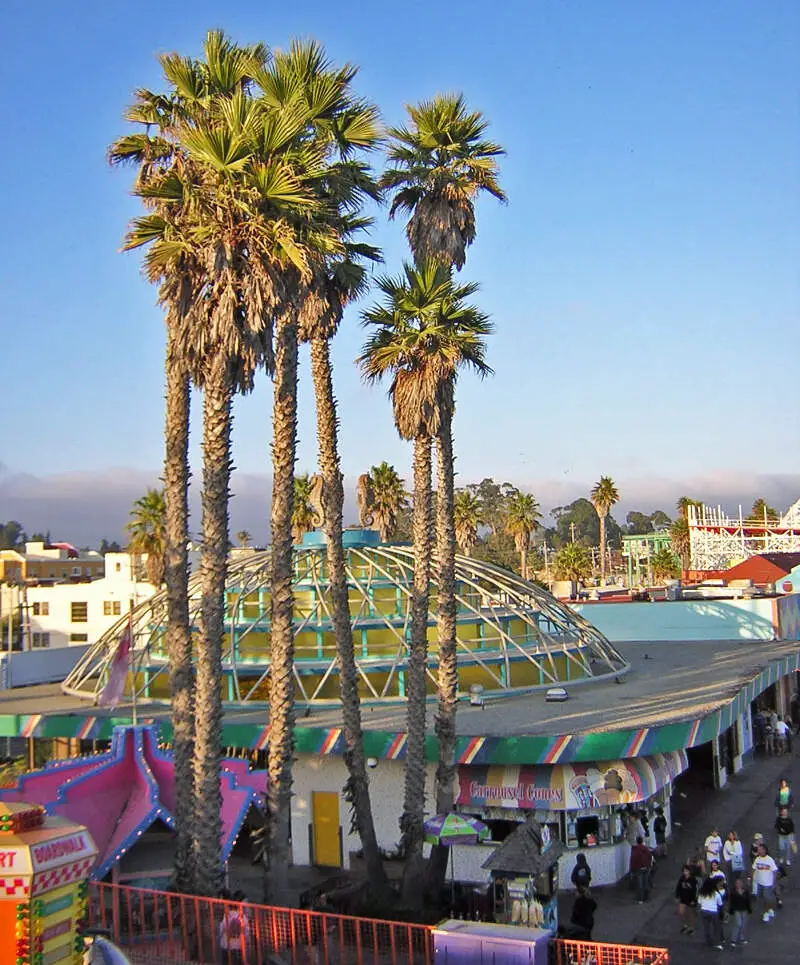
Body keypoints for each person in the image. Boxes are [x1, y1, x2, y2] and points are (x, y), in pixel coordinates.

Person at [219, 896, 250, 965]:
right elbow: (246, 933)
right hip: (238, 946)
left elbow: (221, 928)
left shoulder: (227, 915)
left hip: (226, 944)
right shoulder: (243, 917)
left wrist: (220, 938)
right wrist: (246, 942)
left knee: (225, 961)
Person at [752, 843, 779, 923]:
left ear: (764, 850)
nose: (758, 851)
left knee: (767, 898)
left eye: (760, 849)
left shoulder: (769, 859)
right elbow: (753, 869)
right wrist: (750, 878)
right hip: (759, 883)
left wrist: (774, 883)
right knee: (761, 898)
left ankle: (766, 913)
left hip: (768, 884)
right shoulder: (757, 859)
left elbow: (774, 871)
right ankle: (769, 909)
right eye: (758, 849)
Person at [697, 875, 724, 949]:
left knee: (706, 928)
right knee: (716, 928)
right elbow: (720, 905)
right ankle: (717, 943)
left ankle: (708, 942)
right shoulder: (716, 894)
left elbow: (699, 903)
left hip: (704, 912)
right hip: (713, 912)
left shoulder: (702, 893)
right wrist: (722, 914)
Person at [674, 864, 698, 935]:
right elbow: (678, 887)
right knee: (681, 912)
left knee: (691, 914)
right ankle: (685, 925)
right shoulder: (682, 878)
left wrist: (694, 900)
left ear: (689, 871)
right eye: (684, 871)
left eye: (686, 871)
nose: (685, 872)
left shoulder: (693, 879)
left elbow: (695, 890)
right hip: (683, 898)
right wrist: (676, 896)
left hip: (691, 899)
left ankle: (692, 927)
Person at [728, 877, 751, 946]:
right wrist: (730, 910)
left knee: (743, 925)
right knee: (738, 923)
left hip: (744, 910)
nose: (738, 884)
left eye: (740, 883)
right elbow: (731, 902)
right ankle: (733, 939)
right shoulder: (733, 892)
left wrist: (749, 909)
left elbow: (748, 901)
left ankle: (741, 938)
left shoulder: (746, 891)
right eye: (737, 883)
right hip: (736, 910)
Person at [629, 836, 653, 904]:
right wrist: (648, 865)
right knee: (645, 883)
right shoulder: (646, 848)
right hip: (646, 868)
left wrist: (631, 869)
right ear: (642, 841)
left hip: (638, 868)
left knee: (640, 884)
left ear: (637, 842)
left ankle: (640, 899)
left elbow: (632, 860)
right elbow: (650, 856)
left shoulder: (635, 849)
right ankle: (646, 897)